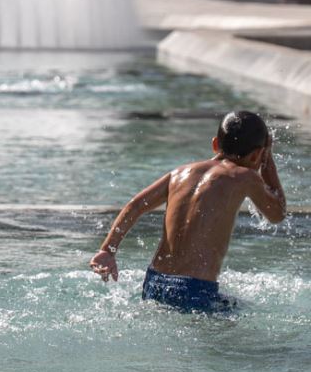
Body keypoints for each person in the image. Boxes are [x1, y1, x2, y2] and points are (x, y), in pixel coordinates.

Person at [89, 111, 286, 313]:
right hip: (194, 290)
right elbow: (277, 214)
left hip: (155, 282)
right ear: (256, 155)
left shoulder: (180, 172)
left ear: (215, 144)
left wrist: (107, 250)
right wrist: (268, 163)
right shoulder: (245, 176)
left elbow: (135, 205)